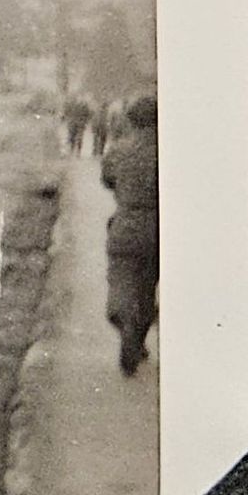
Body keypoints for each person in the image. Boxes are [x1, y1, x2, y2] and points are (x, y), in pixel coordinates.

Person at [102, 94, 159, 376]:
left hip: (125, 224)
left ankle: (125, 320)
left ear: (131, 120)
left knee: (121, 280)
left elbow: (107, 180)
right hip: (158, 227)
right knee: (147, 287)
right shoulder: (169, 150)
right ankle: (137, 336)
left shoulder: (118, 150)